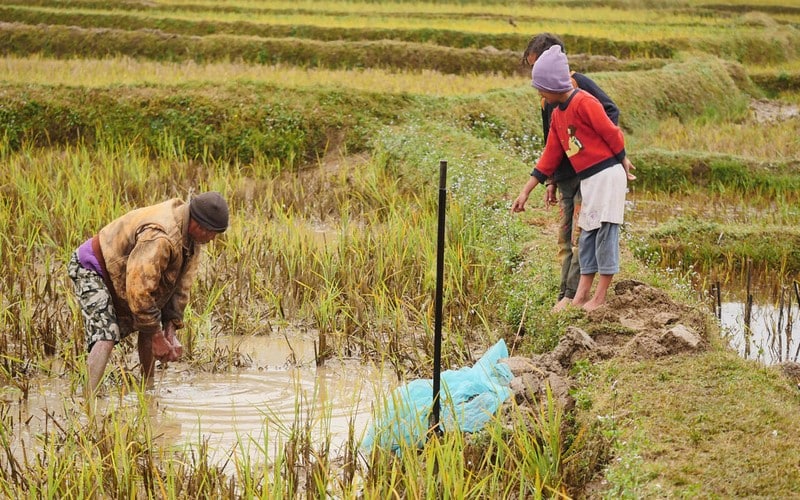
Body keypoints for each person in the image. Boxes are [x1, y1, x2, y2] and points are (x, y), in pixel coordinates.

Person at [67, 191, 229, 397]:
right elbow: (139, 291)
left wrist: (170, 329)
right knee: (107, 334)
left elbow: (181, 288)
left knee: (153, 321)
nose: (213, 239)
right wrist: (157, 336)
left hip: (126, 272)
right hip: (93, 267)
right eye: (212, 233)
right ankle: (87, 400)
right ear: (199, 226)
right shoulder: (160, 236)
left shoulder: (193, 240)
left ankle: (148, 391)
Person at [511, 46, 633, 311]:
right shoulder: (557, 115)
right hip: (588, 179)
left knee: (605, 233)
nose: (540, 94)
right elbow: (549, 156)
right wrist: (526, 191)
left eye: (541, 88)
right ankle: (580, 296)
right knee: (587, 235)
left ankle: (599, 297)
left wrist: (623, 159)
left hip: (607, 175)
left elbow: (611, 132)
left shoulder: (585, 102)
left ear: (554, 85)